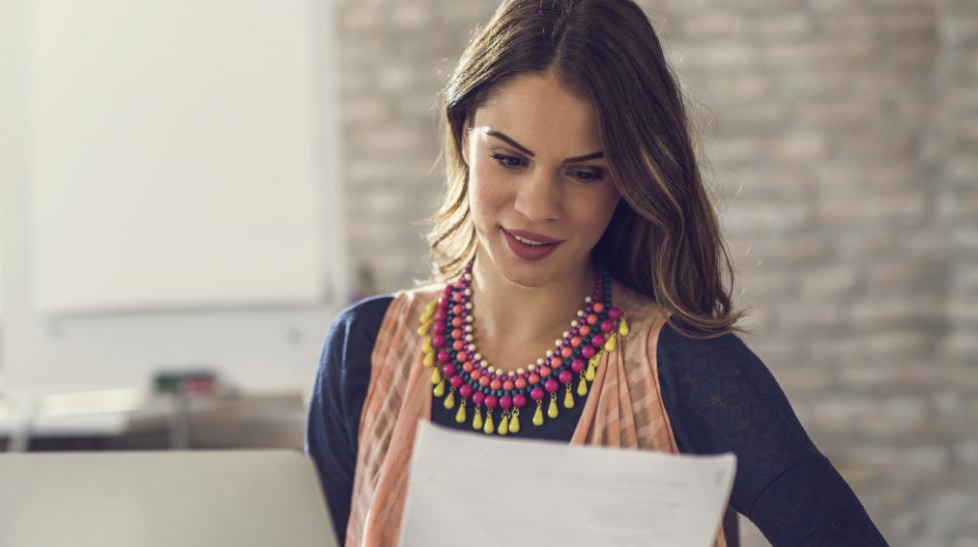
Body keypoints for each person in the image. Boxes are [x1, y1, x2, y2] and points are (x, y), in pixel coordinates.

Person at [304, 1, 889, 545]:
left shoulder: (691, 369)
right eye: (509, 158)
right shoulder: (363, 352)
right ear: (463, 138)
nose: (537, 206)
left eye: (585, 173)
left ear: (631, 179)